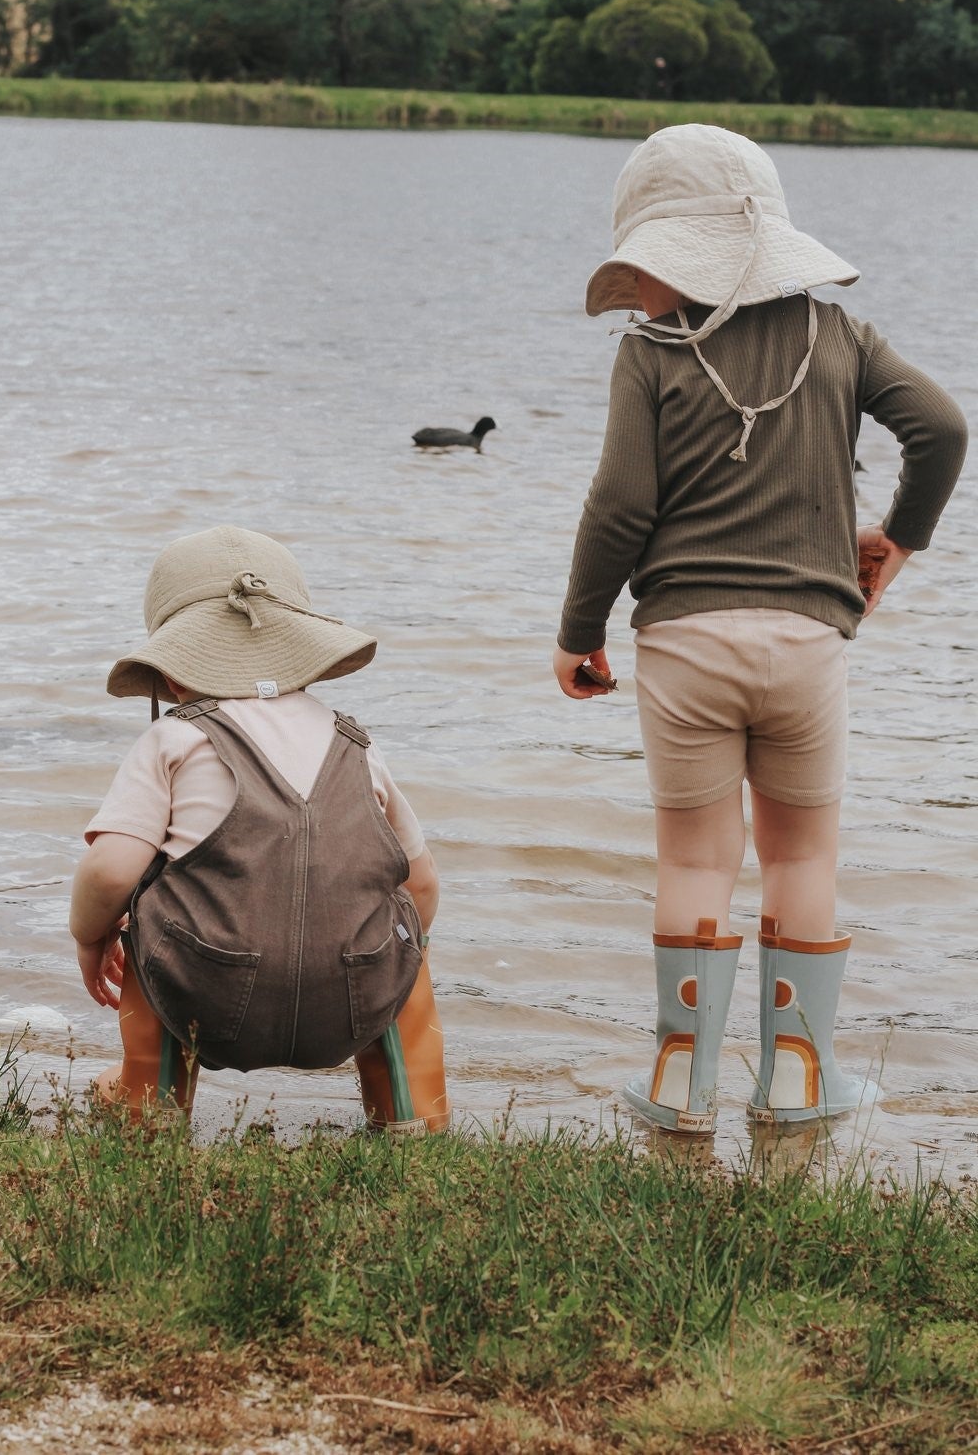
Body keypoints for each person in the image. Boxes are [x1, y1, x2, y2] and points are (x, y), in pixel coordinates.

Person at [553, 125, 967, 1134]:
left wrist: (580, 629)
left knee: (694, 863)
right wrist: (897, 542)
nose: (645, 289)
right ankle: (795, 1085)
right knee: (800, 861)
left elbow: (618, 507)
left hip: (684, 645)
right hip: (807, 646)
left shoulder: (648, 353)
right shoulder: (843, 338)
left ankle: (676, 1089)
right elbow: (944, 429)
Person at [69, 524, 450, 1134]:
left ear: (170, 676)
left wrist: (91, 938)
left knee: (144, 902)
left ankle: (149, 1106)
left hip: (203, 1000)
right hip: (350, 1006)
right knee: (403, 930)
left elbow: (112, 868)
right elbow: (423, 885)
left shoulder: (174, 737)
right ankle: (412, 1114)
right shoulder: (356, 743)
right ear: (302, 652)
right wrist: (373, 958)